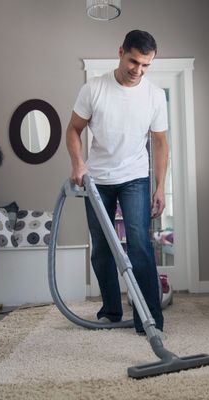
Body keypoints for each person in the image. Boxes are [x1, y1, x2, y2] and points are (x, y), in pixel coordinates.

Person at [66, 29, 169, 334]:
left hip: (135, 177)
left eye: (146, 65)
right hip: (96, 180)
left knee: (139, 246)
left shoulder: (154, 95)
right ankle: (110, 310)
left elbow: (161, 143)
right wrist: (78, 164)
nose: (138, 70)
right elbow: (73, 130)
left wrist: (160, 186)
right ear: (121, 51)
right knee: (102, 247)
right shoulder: (94, 89)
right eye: (134, 61)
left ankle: (149, 320)